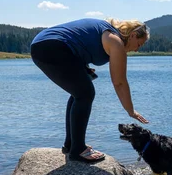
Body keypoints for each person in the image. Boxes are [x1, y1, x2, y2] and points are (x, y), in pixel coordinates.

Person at [30, 18, 150, 162]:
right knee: (85, 93)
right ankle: (78, 150)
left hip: (43, 44)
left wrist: (83, 67)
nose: (137, 49)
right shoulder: (116, 41)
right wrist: (130, 110)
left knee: (79, 92)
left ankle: (71, 145)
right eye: (139, 44)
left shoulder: (107, 31)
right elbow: (119, 82)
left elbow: (79, 40)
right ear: (132, 35)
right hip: (52, 47)